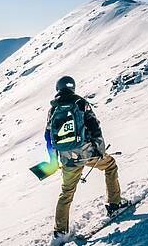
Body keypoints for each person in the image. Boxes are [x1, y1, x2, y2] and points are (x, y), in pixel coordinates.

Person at [45, 75, 128, 239]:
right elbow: (93, 125)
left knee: (66, 191)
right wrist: (99, 148)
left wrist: (53, 160)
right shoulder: (80, 102)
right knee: (110, 166)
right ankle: (114, 204)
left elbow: (48, 136)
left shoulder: (53, 109)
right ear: (72, 87)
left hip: (67, 158)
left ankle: (60, 230)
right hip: (86, 152)